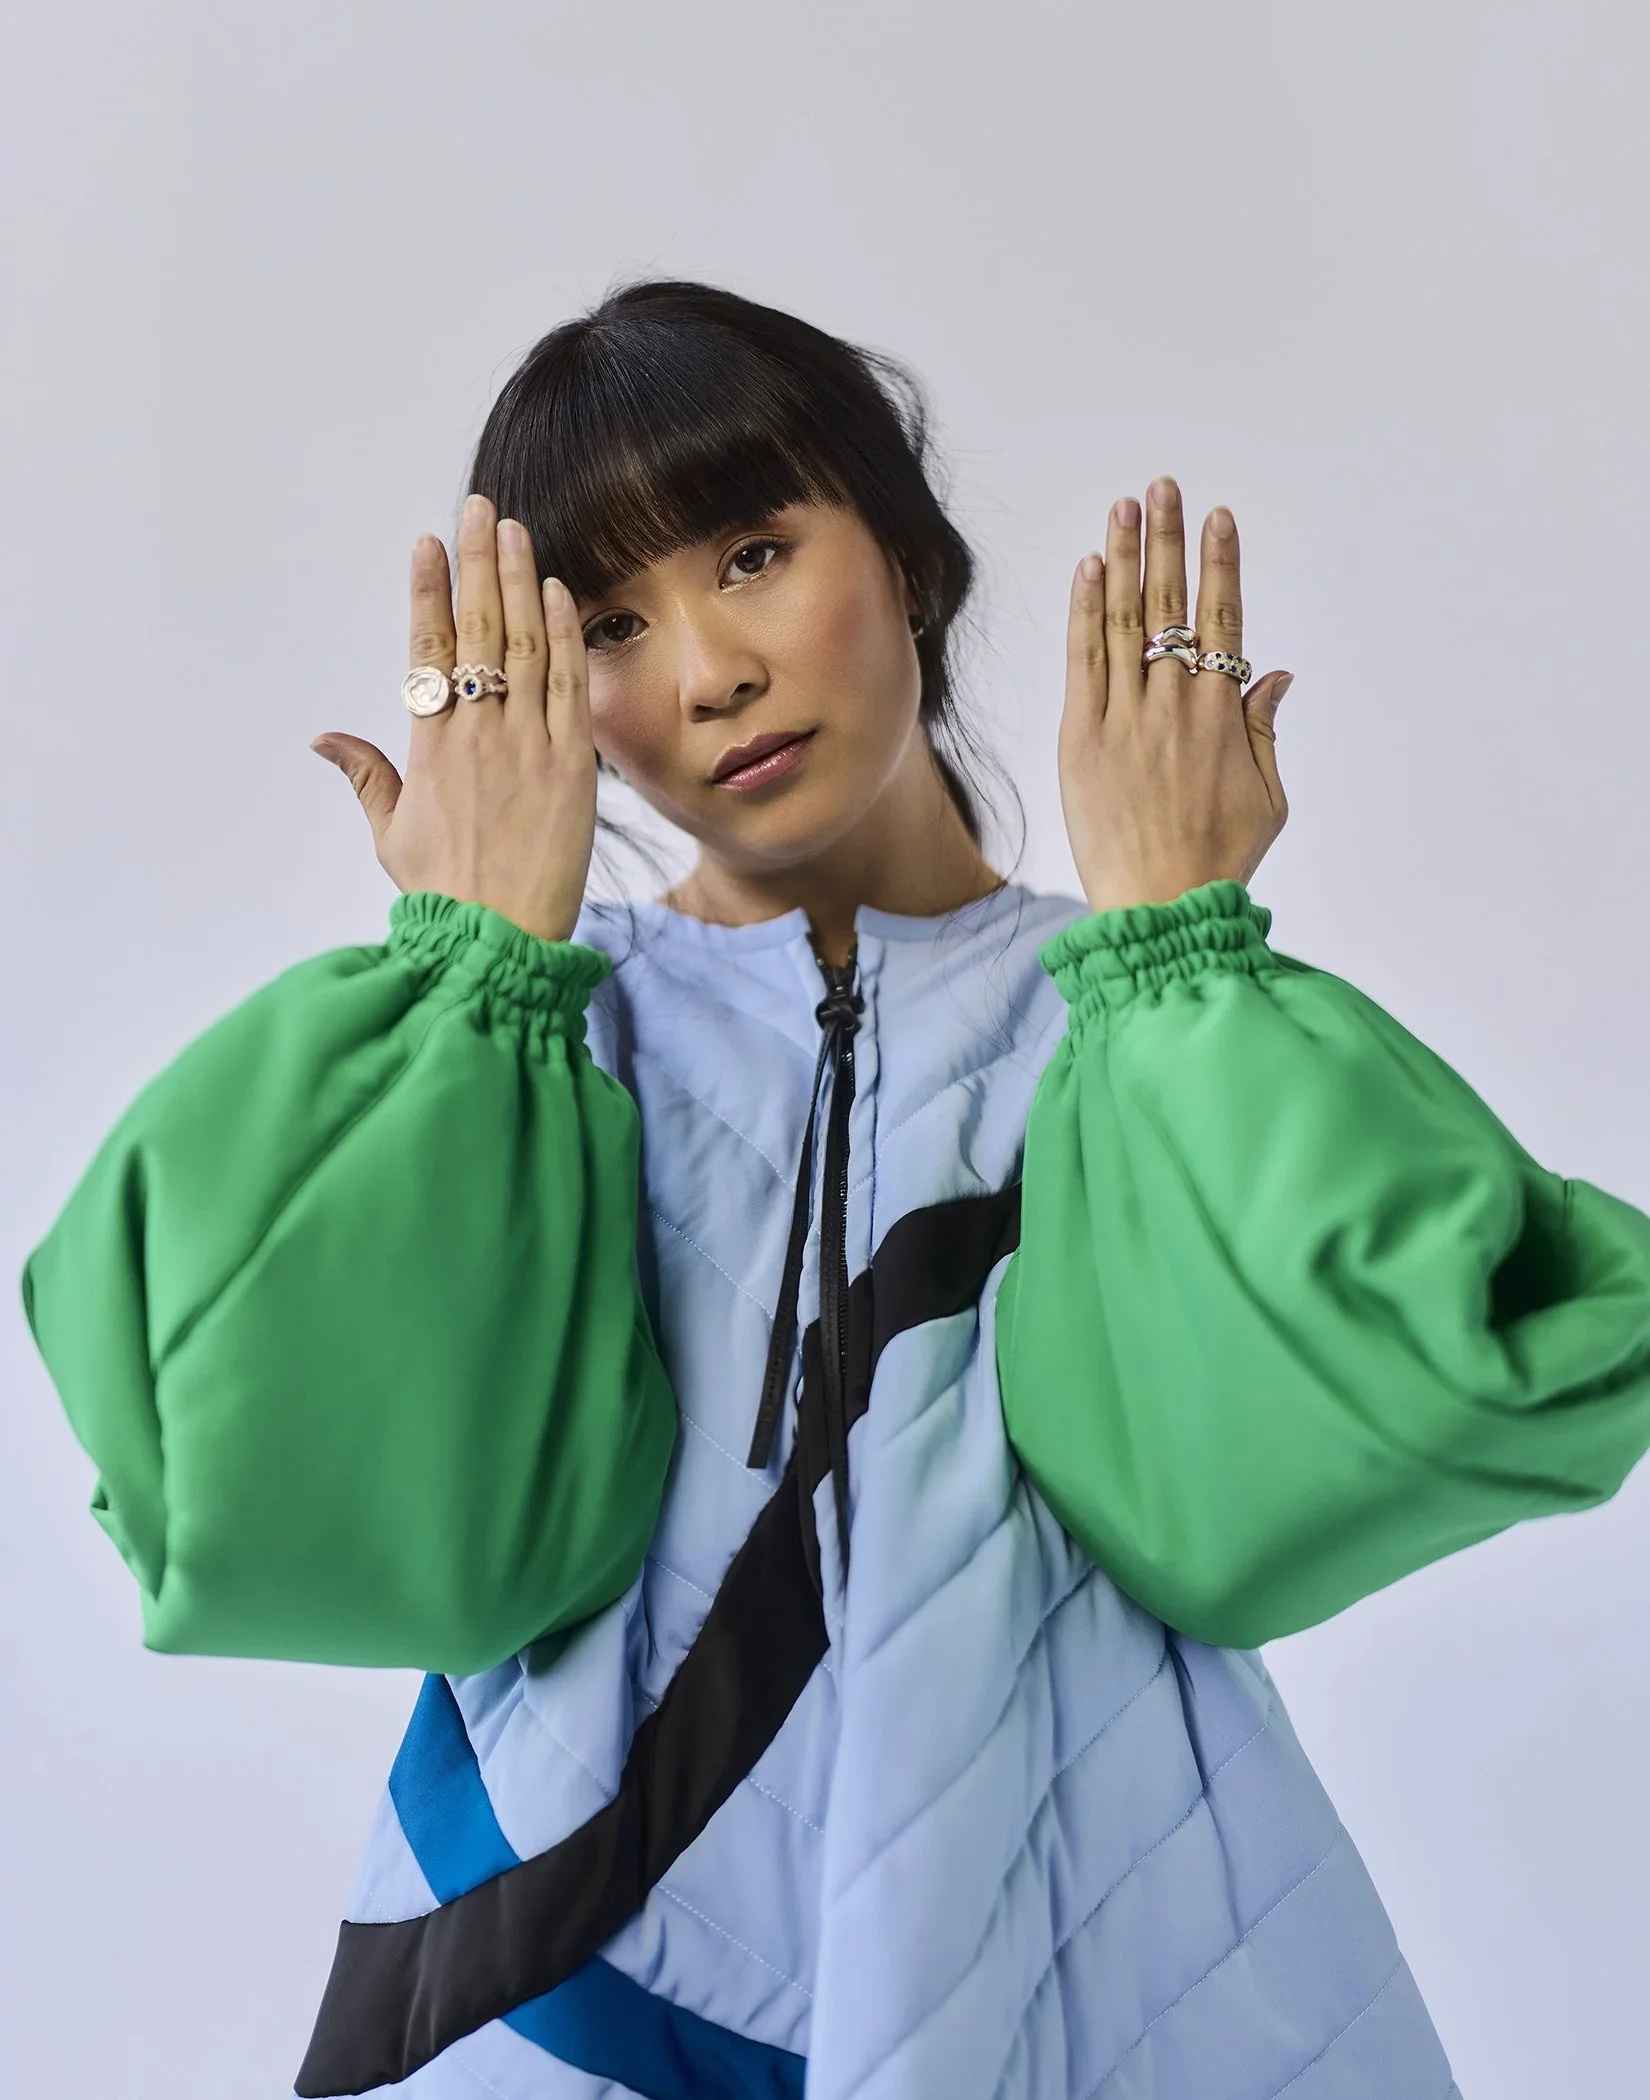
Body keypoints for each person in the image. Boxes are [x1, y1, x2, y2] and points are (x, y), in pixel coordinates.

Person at [21, 276, 1650, 2100]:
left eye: (752, 553)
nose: (707, 671)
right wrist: (466, 977)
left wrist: (1181, 950)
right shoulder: (531, 1050)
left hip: (1103, 1953)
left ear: (913, 557)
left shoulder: (1136, 1021)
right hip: (580, 1969)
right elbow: (269, 1490)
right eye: (612, 621)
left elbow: (1338, 1459)